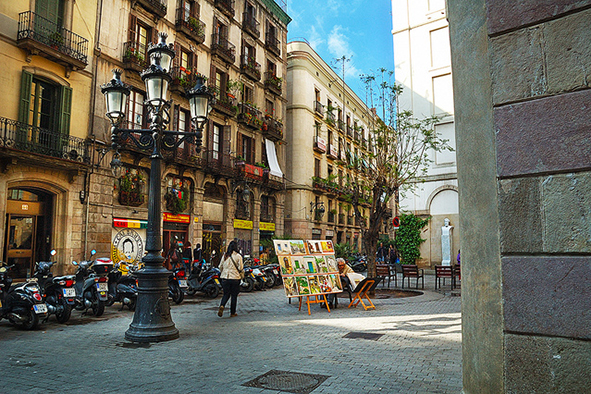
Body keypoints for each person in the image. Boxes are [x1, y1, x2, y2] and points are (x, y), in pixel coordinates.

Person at [217, 240, 243, 318]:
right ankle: (232, 312)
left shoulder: (225, 255)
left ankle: (222, 305)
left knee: (226, 294)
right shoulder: (238, 256)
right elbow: (240, 268)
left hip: (225, 278)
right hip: (235, 278)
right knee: (234, 296)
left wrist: (223, 273)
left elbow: (220, 266)